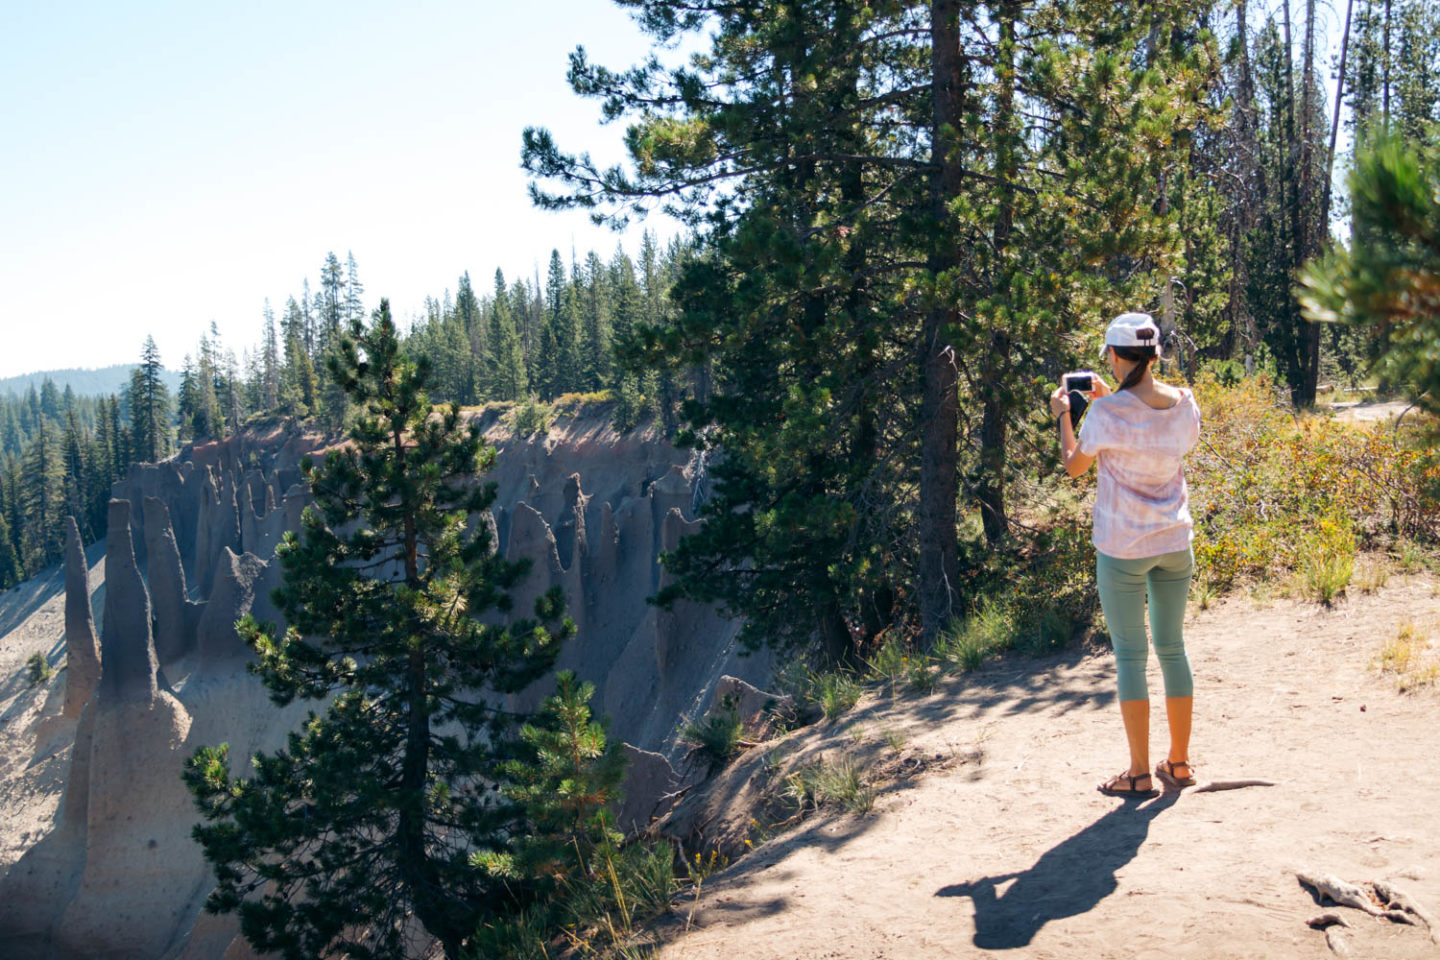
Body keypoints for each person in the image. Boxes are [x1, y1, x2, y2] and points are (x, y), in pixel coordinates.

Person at [1049, 312, 1202, 797]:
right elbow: (1157, 436)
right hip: (1175, 543)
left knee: (1131, 657)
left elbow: (1075, 467)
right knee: (1173, 649)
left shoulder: (1108, 415)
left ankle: (1138, 773)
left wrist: (1064, 417)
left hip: (1123, 549)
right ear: (1154, 355)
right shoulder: (1185, 404)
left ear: (1115, 357)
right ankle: (1178, 764)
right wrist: (1109, 403)